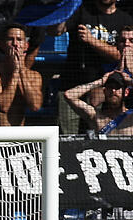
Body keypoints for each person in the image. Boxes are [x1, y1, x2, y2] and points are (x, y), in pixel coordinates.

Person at [49, 0, 133, 134]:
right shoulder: (81, 11)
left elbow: (119, 54)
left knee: (103, 130)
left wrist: (91, 40)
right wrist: (63, 9)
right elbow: (55, 32)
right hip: (72, 82)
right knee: (67, 135)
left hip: (106, 86)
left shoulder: (125, 19)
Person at [0, 23, 43, 126]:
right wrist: (15, 72)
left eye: (19, 40)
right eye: (10, 39)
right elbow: (3, 107)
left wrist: (21, 71)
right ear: (2, 44)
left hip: (19, 136)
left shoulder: (34, 76)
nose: (15, 44)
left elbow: (35, 106)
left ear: (26, 45)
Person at [64, 70, 133, 136]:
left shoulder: (131, 117)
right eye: (110, 87)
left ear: (126, 92)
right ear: (104, 91)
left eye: (117, 87)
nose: (113, 91)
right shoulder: (95, 116)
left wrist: (130, 81)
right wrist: (100, 82)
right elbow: (69, 95)